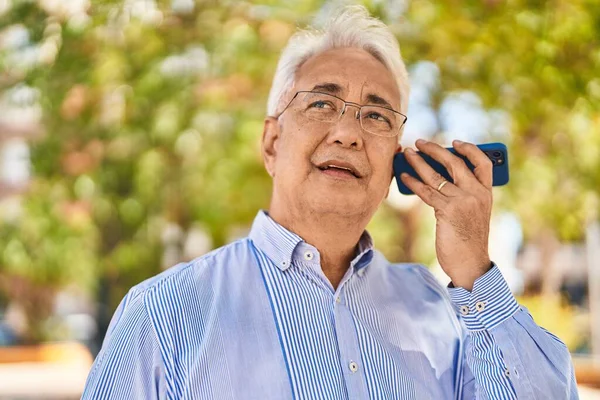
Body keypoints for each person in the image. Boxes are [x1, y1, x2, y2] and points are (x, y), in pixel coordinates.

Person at [82, 5, 578, 399]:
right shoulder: (162, 314)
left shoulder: (444, 310)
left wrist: (474, 269)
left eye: (377, 117)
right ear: (272, 143)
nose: (348, 133)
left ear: (393, 168)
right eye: (322, 104)